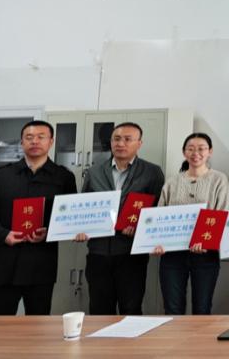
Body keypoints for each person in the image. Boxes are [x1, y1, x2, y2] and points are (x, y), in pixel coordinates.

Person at [0, 120, 77, 315]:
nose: (34, 141)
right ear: (22, 142)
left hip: (41, 263)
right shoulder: (2, 175)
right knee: (1, 324)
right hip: (4, 261)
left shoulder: (63, 177)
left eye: (41, 137)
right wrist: (3, 234)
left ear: (51, 141)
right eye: (29, 137)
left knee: (38, 324)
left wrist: (49, 232)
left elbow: (70, 217)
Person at [78, 121, 165, 315]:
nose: (120, 143)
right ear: (110, 142)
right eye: (116, 139)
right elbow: (84, 206)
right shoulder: (94, 172)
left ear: (139, 143)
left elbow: (158, 212)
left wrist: (140, 229)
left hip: (131, 253)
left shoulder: (152, 172)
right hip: (98, 252)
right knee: (99, 310)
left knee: (131, 309)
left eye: (127, 139)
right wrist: (81, 229)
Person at [152, 133, 229, 315]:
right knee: (172, 309)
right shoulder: (172, 181)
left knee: (202, 308)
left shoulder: (219, 179)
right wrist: (157, 242)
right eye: (191, 149)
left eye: (201, 148)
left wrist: (206, 241)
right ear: (184, 152)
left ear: (210, 151)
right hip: (172, 254)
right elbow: (159, 216)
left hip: (205, 254)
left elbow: (221, 214)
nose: (196, 153)